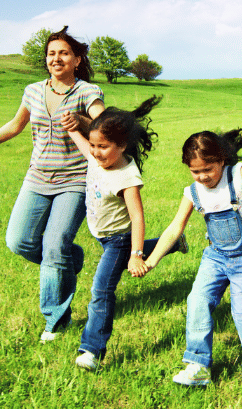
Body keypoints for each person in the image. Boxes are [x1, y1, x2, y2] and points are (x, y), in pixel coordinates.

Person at [0, 26, 105, 341]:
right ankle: (72, 259)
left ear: (77, 59)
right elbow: (15, 126)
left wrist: (84, 121)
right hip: (37, 177)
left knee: (54, 246)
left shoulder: (88, 92)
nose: (56, 59)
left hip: (74, 179)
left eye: (64, 53)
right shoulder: (32, 90)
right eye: (51, 53)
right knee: (18, 241)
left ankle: (55, 320)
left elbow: (103, 123)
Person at [143, 129, 242, 386]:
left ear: (221, 160)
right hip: (215, 257)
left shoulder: (237, 174)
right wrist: (151, 260)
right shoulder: (192, 192)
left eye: (208, 169)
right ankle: (198, 365)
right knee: (197, 301)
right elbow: (175, 229)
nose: (203, 176)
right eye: (196, 171)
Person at [61, 96, 188, 371]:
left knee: (101, 290)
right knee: (114, 268)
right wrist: (72, 126)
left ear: (121, 146)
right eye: (93, 145)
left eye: (103, 147)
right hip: (101, 234)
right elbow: (83, 142)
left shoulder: (126, 176)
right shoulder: (97, 156)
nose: (95, 152)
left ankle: (91, 350)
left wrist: (136, 254)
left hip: (119, 239)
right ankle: (173, 243)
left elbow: (137, 217)